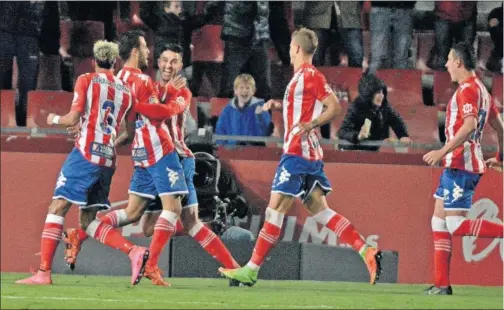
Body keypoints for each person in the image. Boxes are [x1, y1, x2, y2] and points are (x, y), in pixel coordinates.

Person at [63, 42, 240, 286]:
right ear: (158, 61)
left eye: (174, 61)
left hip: (177, 156)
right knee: (152, 221)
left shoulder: (181, 93)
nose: (169, 65)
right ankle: (144, 261)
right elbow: (132, 120)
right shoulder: (149, 86)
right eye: (165, 60)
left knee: (177, 221)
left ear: (181, 65)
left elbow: (163, 112)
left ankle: (231, 267)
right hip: (153, 157)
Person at [218, 28, 383, 286]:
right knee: (320, 211)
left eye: (291, 47)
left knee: (274, 212)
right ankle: (366, 250)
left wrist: (312, 123)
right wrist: (280, 107)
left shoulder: (309, 76)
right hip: (308, 154)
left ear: (296, 49)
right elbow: (304, 108)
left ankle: (251, 270)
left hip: (297, 153)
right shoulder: (302, 78)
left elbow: (335, 107)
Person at [14, 41, 151, 286]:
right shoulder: (127, 92)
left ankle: (44, 272)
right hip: (108, 160)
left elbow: (72, 118)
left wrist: (52, 118)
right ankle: (134, 252)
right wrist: (106, 142)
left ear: (94, 60)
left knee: (57, 207)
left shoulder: (86, 80)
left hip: (85, 154)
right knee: (88, 222)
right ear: (115, 62)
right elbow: (129, 135)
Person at [422, 42, 503, 295]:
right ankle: (441, 285)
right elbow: (499, 127)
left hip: (461, 163)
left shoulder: (468, 90)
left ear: (458, 62)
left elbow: (468, 126)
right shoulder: (482, 91)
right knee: (438, 221)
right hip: (456, 165)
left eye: (448, 59)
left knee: (455, 224)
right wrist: (500, 156)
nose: (445, 65)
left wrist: (441, 151)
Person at [337, 73, 411, 151]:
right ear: (369, 93)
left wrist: (403, 135)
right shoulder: (356, 107)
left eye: (383, 92)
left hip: (371, 151)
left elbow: (396, 120)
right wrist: (358, 136)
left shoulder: (385, 106)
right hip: (352, 151)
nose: (382, 96)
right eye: (378, 92)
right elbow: (343, 131)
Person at [215, 74, 271, 146]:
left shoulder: (261, 108)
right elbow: (220, 132)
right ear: (235, 91)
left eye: (248, 88)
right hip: (231, 151)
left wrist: (260, 116)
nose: (244, 90)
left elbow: (265, 132)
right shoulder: (227, 110)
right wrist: (223, 149)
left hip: (254, 151)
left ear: (253, 91)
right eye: (241, 88)